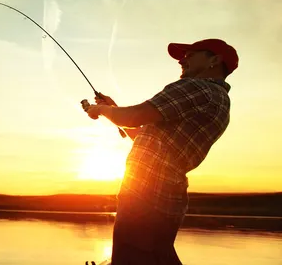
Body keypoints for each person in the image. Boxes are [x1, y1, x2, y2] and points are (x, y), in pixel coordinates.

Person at [82, 38, 239, 265]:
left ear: (214, 60)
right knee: (156, 257)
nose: (183, 60)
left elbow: (135, 117)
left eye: (191, 54)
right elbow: (148, 137)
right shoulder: (219, 100)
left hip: (146, 192)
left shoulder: (198, 89)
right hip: (167, 196)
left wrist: (101, 109)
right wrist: (114, 110)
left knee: (130, 259)